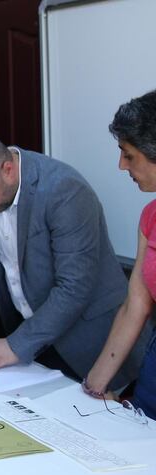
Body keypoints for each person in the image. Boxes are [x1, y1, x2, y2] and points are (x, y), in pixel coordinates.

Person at [0, 134, 149, 390]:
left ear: (8, 170)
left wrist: (16, 344)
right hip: (33, 343)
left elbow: (74, 287)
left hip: (88, 345)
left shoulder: (64, 190)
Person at [84, 90, 156, 417]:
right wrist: (94, 386)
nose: (121, 165)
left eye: (129, 155)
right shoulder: (150, 217)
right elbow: (134, 307)